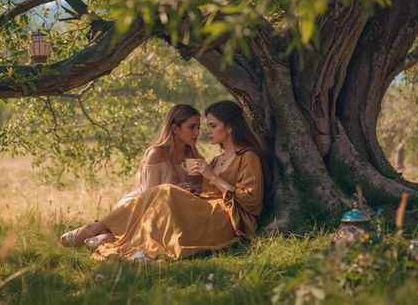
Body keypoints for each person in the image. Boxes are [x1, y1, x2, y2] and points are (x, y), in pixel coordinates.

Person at [60, 100, 265, 261]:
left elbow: (252, 202)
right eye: (204, 126)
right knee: (165, 193)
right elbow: (205, 193)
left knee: (165, 191)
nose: (205, 132)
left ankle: (101, 231)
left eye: (212, 126)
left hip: (226, 217)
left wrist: (210, 176)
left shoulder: (247, 157)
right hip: (204, 209)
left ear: (229, 128)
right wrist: (190, 191)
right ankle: (118, 239)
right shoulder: (217, 159)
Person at [59, 103, 202, 248]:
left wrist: (193, 191)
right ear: (175, 128)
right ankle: (98, 230)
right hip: (141, 206)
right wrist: (175, 190)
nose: (197, 132)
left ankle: (104, 238)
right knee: (144, 223)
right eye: (192, 127)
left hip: (172, 213)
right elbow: (149, 196)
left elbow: (197, 190)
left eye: (199, 127)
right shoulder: (156, 154)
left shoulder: (194, 156)